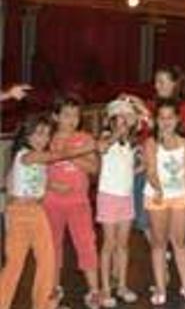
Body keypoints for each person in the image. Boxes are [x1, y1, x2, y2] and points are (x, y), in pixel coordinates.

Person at [0, 114, 97, 309]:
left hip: (37, 212)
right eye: (38, 134)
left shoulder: (37, 159)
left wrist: (51, 187)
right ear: (27, 136)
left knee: (48, 260)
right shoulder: (27, 155)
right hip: (20, 214)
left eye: (46, 134)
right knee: (14, 265)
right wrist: (85, 149)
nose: (43, 139)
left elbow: (19, 182)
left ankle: (43, 304)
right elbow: (55, 156)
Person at [123, 67, 185, 242]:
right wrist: (128, 113)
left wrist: (146, 113)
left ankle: (165, 246)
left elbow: (173, 134)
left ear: (174, 84)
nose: (157, 86)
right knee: (142, 214)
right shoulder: (149, 105)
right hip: (146, 164)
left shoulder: (183, 108)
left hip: (170, 167)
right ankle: (158, 247)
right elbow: (138, 133)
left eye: (162, 81)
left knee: (171, 212)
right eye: (155, 82)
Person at [44, 94, 101, 308]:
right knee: (53, 246)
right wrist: (50, 186)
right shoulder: (46, 138)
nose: (72, 119)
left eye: (76, 115)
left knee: (86, 243)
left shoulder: (85, 139)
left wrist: (70, 154)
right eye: (67, 115)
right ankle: (53, 288)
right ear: (55, 116)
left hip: (79, 202)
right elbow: (34, 171)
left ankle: (94, 291)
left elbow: (94, 168)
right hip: (52, 202)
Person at [143, 100, 185, 305]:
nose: (166, 122)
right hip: (158, 198)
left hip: (179, 197)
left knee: (180, 242)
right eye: (162, 118)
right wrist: (158, 189)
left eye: (170, 117)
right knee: (159, 243)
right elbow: (150, 171)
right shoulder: (151, 143)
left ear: (177, 120)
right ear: (156, 121)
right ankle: (160, 288)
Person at [95, 99, 142, 308]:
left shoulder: (131, 144)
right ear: (111, 122)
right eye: (118, 119)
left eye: (126, 120)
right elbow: (102, 148)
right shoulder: (106, 138)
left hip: (126, 197)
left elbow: (129, 170)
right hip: (108, 197)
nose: (123, 124)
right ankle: (105, 288)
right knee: (109, 244)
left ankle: (122, 285)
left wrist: (143, 167)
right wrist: (117, 133)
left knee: (123, 245)